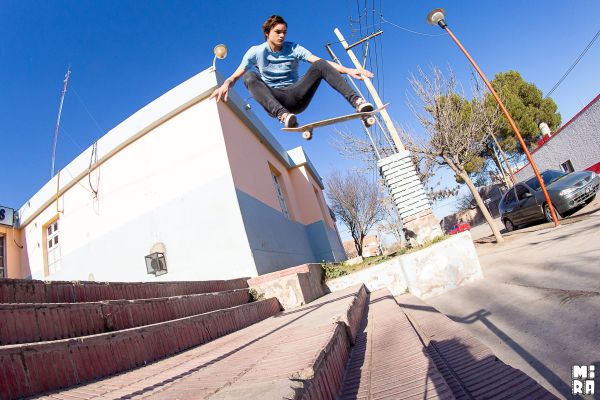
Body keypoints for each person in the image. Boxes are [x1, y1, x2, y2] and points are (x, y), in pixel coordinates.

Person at [209, 15, 374, 128]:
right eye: (277, 32)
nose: (282, 36)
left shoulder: (293, 48)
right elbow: (236, 75)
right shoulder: (255, 52)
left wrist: (349, 70)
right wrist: (226, 84)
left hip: (297, 95)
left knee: (321, 63)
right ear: (267, 33)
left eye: (284, 32)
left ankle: (357, 103)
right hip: (276, 100)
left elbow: (319, 62)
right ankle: (283, 116)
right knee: (250, 76)